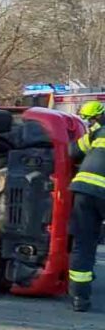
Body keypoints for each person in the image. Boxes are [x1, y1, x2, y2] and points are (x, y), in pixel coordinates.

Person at [68, 100, 105, 312]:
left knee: (84, 244)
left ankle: (80, 299)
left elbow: (72, 152)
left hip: (85, 192)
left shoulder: (97, 134)